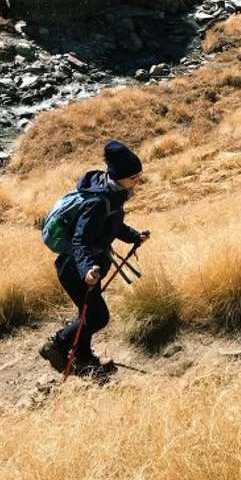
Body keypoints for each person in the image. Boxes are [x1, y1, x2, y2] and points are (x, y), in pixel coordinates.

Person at [39, 140, 150, 375]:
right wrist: (87, 268)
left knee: (87, 314)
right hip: (76, 269)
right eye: (134, 177)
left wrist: (133, 236)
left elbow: (111, 226)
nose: (137, 182)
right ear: (119, 175)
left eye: (139, 176)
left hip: (89, 266)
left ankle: (83, 357)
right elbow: (80, 241)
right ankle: (56, 345)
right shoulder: (98, 202)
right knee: (98, 317)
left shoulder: (111, 192)